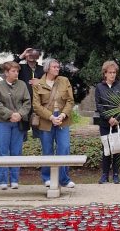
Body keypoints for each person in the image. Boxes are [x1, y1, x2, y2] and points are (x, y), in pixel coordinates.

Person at [33, 59, 76, 189]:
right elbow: (36, 105)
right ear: (47, 69)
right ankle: (47, 178)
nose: (57, 69)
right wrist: (51, 117)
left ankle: (64, 179)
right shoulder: (38, 84)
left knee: (64, 147)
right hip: (47, 119)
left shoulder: (64, 80)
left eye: (58, 67)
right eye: (54, 67)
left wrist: (63, 115)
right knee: (47, 150)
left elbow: (70, 100)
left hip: (62, 118)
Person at [0, 61, 31, 189]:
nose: (16, 73)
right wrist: (10, 114)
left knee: (16, 151)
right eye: (13, 71)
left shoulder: (22, 85)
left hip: (18, 123)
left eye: (17, 71)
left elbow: (27, 102)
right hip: (2, 123)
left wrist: (19, 114)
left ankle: (14, 180)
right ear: (6, 72)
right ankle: (2, 181)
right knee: (2, 151)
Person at [95, 60, 120, 184]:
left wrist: (117, 118)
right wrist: (109, 118)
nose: (113, 75)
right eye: (110, 72)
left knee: (117, 149)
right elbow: (99, 106)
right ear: (105, 74)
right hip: (105, 123)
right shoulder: (99, 87)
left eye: (114, 72)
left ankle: (115, 174)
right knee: (107, 149)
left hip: (118, 122)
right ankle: (104, 175)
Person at [16, 48, 44, 138]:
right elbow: (10, 66)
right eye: (29, 54)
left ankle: (37, 148)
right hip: (24, 102)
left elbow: (50, 82)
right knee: (22, 131)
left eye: (33, 54)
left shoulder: (42, 69)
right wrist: (21, 55)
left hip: (38, 102)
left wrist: (40, 82)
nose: (31, 56)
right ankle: (22, 148)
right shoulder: (21, 68)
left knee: (38, 131)